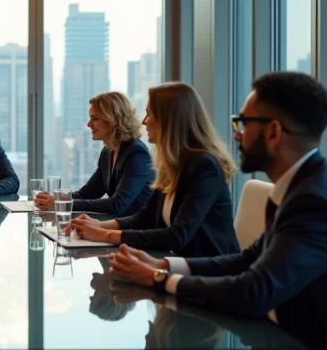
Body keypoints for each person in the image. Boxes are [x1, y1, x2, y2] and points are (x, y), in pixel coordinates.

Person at [107, 72, 327, 349]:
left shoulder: (317, 203)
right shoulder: (304, 187)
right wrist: (163, 265)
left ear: (273, 132)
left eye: (243, 124)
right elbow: (248, 259)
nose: (237, 135)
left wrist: (160, 279)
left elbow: (254, 293)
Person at [69, 82, 240, 258]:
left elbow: (177, 236)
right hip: (177, 261)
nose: (144, 121)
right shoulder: (173, 164)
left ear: (169, 119)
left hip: (210, 268)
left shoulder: (204, 166)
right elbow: (145, 217)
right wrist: (98, 225)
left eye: (149, 114)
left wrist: (104, 235)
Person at [34, 92, 154, 215]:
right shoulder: (107, 152)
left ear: (112, 121)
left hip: (141, 226)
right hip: (118, 223)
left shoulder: (137, 153)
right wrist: (55, 198)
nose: (89, 124)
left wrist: (61, 204)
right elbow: (86, 194)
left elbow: (117, 204)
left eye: (95, 118)